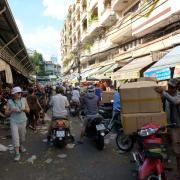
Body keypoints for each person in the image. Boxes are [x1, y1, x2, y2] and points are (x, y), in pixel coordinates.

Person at [155, 79, 180, 178]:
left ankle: (178, 172)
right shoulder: (167, 94)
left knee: (177, 151)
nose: (169, 88)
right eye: (169, 86)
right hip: (167, 125)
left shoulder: (177, 96)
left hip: (176, 127)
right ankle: (168, 163)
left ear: (177, 88)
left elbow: (175, 101)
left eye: (172, 87)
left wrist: (163, 92)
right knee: (166, 146)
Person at [5, 87, 29, 161]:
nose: (19, 94)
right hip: (13, 122)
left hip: (23, 121)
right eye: (18, 93)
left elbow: (28, 110)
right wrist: (11, 110)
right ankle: (17, 153)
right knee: (15, 137)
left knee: (22, 137)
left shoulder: (24, 99)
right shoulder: (9, 101)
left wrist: (24, 109)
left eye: (20, 93)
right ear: (14, 94)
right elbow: (6, 113)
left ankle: (21, 146)